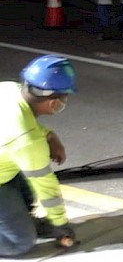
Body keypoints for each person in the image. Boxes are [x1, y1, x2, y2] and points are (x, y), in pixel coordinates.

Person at [0, 55, 77, 256]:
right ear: (53, 103)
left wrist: (50, 136)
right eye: (64, 97)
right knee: (20, 242)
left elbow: (18, 126)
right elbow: (46, 188)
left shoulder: (8, 90)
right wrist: (60, 224)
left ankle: (17, 218)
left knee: (25, 173)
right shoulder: (28, 140)